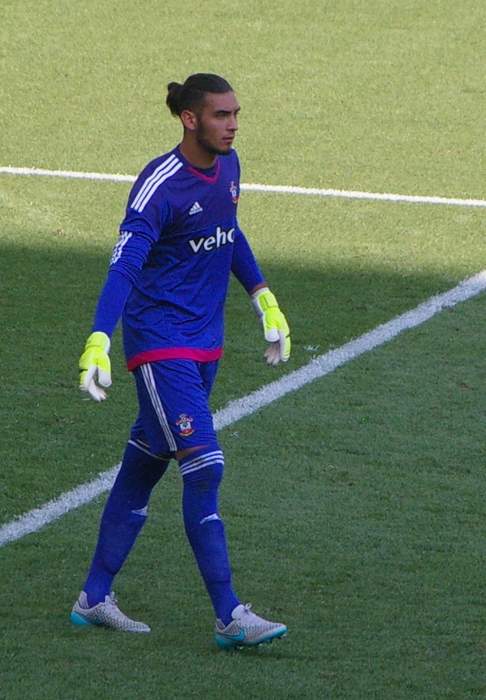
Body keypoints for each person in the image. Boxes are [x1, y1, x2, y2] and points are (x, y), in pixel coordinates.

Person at [70, 73, 291, 649]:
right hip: (161, 343)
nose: (233, 124)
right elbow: (123, 265)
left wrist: (261, 294)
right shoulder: (159, 186)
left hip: (204, 345)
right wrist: (100, 338)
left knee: (147, 459)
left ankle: (94, 595)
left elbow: (227, 230)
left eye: (236, 113)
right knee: (205, 463)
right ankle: (229, 615)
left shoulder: (231, 165)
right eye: (221, 115)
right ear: (190, 119)